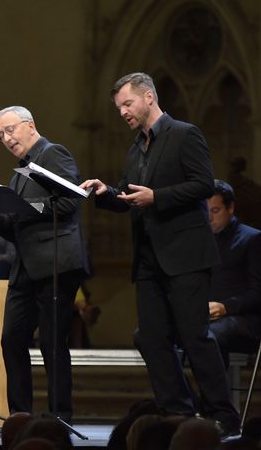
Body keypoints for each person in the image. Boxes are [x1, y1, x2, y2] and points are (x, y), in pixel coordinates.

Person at [80, 72, 240, 434]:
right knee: (150, 337)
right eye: (118, 107)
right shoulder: (136, 148)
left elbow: (203, 185)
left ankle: (224, 416)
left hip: (185, 255)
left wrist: (158, 197)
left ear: (148, 97)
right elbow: (130, 195)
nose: (122, 112)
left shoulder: (184, 134)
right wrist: (107, 193)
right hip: (150, 258)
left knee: (195, 336)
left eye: (127, 104)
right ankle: (179, 413)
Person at [0, 106, 88, 422]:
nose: (6, 138)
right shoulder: (19, 174)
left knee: (51, 342)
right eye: (1, 135)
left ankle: (60, 416)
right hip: (26, 267)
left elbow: (70, 200)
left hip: (55, 262)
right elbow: (14, 227)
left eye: (10, 130)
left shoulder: (53, 154)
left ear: (29, 125)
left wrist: (24, 206)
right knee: (12, 339)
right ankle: (20, 416)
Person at [206, 179, 261, 366]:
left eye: (215, 210)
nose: (209, 218)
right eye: (204, 211)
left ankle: (215, 396)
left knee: (207, 335)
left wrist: (225, 307)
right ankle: (180, 396)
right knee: (149, 334)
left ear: (230, 208)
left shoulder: (253, 239)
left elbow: (258, 293)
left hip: (244, 321)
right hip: (206, 319)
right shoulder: (200, 241)